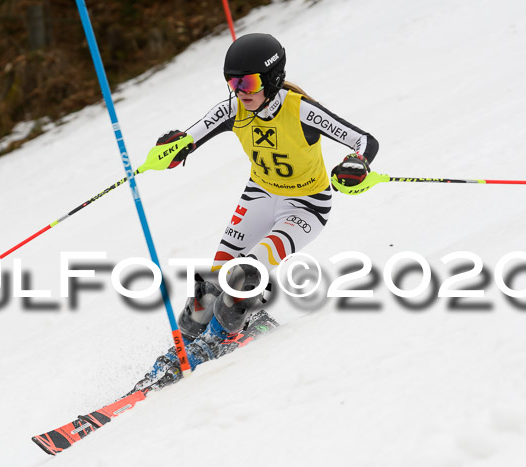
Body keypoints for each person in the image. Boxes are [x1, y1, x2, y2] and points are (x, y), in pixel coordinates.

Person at [137, 33, 379, 388]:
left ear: (272, 78)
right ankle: (183, 348)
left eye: (247, 82)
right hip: (260, 195)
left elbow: (364, 142)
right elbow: (189, 138)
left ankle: (221, 339)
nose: (240, 91)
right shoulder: (234, 108)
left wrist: (356, 164)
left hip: (306, 206)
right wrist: (172, 150)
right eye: (232, 82)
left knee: (244, 274)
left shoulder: (301, 109)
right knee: (210, 285)